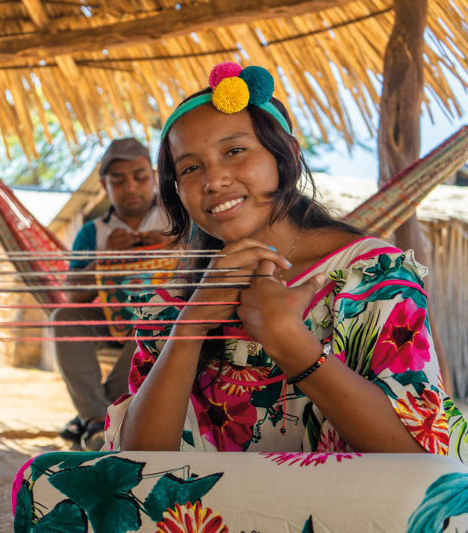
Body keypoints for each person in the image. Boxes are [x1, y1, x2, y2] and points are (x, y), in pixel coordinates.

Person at [103, 62, 466, 460]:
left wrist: (289, 342)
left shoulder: (372, 276)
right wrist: (189, 329)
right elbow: (136, 466)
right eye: (190, 168)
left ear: (286, 154)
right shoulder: (179, 301)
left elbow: (421, 459)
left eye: (235, 151)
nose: (214, 180)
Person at [50, 137, 172, 451]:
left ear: (154, 176)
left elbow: (201, 271)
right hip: (111, 320)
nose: (130, 186)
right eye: (118, 180)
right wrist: (104, 258)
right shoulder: (93, 233)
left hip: (166, 321)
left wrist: (171, 246)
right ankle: (95, 419)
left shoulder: (176, 219)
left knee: (155, 324)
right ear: (105, 186)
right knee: (63, 319)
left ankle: (96, 419)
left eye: (140, 177)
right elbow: (72, 297)